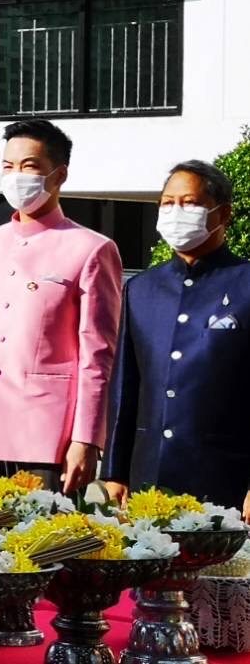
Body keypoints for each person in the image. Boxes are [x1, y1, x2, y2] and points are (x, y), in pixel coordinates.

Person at [0, 120, 122, 494]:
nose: (16, 176)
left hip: (48, 433)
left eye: (29, 166)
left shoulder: (91, 249)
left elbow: (98, 356)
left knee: (46, 531)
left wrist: (86, 438)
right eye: (8, 166)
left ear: (59, 175)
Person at [103, 161, 250, 517]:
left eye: (190, 202)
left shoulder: (244, 282)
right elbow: (125, 386)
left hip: (224, 475)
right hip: (149, 474)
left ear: (223, 213)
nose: (176, 212)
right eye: (168, 203)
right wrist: (115, 470)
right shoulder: (142, 288)